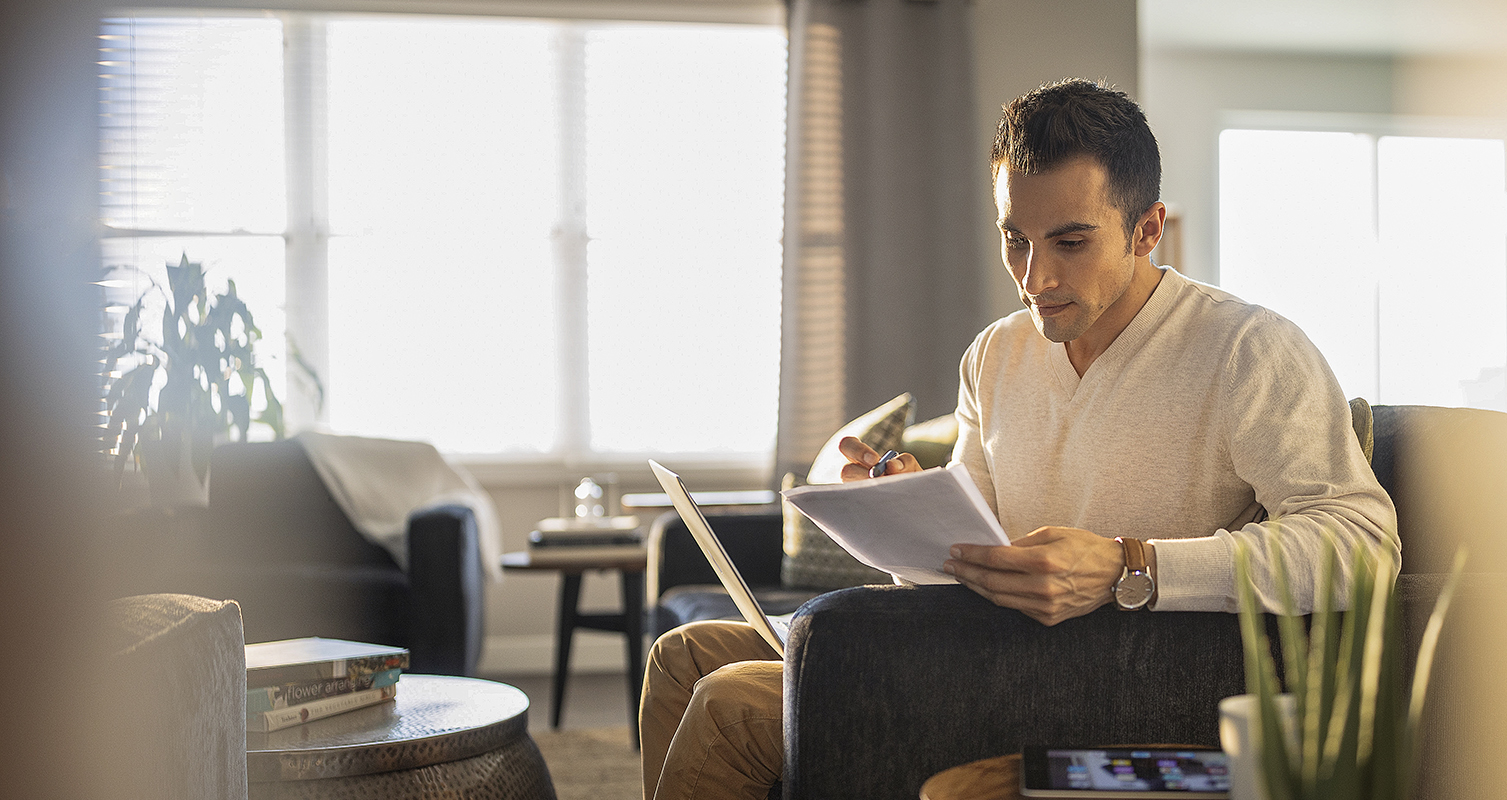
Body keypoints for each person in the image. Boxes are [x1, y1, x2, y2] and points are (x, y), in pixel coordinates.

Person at [638, 78, 1399, 800]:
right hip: (993, 643)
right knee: (682, 654)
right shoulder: (996, 353)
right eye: (1015, 240)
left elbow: (1360, 548)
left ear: (1146, 228)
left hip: (1122, 670)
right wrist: (906, 511)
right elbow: (976, 551)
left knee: (732, 705)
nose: (1034, 277)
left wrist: (1126, 566)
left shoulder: (1247, 349)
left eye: (1069, 241)